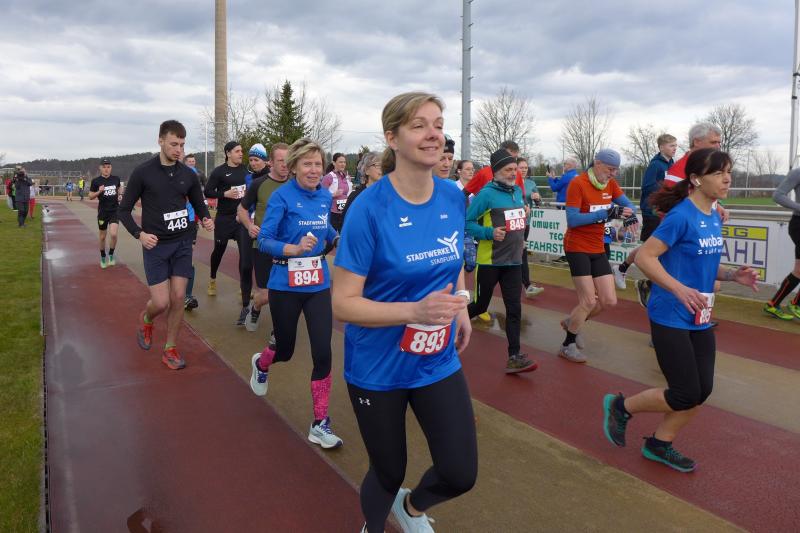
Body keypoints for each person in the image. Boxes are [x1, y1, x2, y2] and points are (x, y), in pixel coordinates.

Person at [332, 91, 477, 533]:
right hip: (378, 366)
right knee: (388, 470)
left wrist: (460, 302)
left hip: (436, 358)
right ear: (392, 138)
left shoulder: (452, 197)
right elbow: (343, 303)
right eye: (419, 125)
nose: (433, 134)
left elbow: (451, 256)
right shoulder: (368, 209)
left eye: (438, 125)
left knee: (460, 472)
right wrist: (415, 309)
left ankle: (411, 509)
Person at [602, 148, 758, 472]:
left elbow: (700, 262)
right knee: (685, 393)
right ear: (696, 179)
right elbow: (645, 257)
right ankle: (621, 406)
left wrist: (732, 275)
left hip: (700, 315)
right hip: (670, 314)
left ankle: (659, 444)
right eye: (718, 173)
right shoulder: (681, 216)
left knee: (702, 391)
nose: (727, 179)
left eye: (729, 172)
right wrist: (678, 288)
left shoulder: (713, 215)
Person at [249, 138, 343, 451]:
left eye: (318, 164)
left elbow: (324, 226)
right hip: (284, 284)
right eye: (307, 164)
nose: (314, 170)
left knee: (323, 351)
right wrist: (293, 248)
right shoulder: (281, 197)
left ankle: (320, 422)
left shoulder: (323, 196)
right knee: (286, 350)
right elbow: (264, 240)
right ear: (293, 167)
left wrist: (336, 238)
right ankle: (262, 363)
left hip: (317, 283)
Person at [118, 120, 214, 370]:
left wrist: (205, 218)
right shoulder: (143, 173)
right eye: (173, 144)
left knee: (179, 297)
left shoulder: (188, 174)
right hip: (156, 245)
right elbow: (124, 210)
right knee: (161, 303)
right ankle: (147, 318)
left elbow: (198, 201)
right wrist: (139, 234)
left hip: (182, 242)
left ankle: (170, 348)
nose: (178, 150)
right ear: (160, 141)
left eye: (182, 145)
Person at [559, 149, 638, 363]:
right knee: (588, 301)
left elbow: (628, 204)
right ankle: (567, 345)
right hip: (577, 246)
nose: (613, 173)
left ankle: (572, 322)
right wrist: (606, 213)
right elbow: (573, 219)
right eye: (610, 169)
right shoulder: (578, 183)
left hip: (598, 247)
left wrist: (630, 215)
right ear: (597, 163)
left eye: (616, 170)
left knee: (608, 301)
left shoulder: (610, 184)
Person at [635, 123, 726, 307]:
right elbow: (667, 205)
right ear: (697, 142)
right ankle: (654, 291)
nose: (718, 146)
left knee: (711, 283)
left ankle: (697, 315)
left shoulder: (706, 166)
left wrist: (718, 205)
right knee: (703, 283)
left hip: (696, 232)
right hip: (681, 235)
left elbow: (702, 194)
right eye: (713, 142)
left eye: (719, 142)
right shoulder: (679, 169)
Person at [466, 149, 538, 373]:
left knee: (514, 309)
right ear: (496, 171)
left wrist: (523, 217)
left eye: (515, 169)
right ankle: (448, 328)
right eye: (508, 170)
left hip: (513, 262)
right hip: (489, 262)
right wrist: (489, 233)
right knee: (480, 305)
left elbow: (513, 221)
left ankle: (514, 356)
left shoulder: (517, 192)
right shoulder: (486, 194)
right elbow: (467, 223)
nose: (513, 173)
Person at [612, 134, 677, 290]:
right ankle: (625, 271)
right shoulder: (656, 165)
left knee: (660, 248)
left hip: (665, 212)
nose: (675, 148)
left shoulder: (672, 164)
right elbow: (647, 187)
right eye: (671, 145)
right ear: (661, 147)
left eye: (676, 145)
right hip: (652, 212)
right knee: (650, 248)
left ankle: (628, 272)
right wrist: (667, 189)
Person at [238, 142, 290, 331]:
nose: (285, 165)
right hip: (263, 246)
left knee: (286, 291)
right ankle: (256, 307)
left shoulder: (297, 183)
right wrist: (249, 225)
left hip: (288, 247)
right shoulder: (258, 184)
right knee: (267, 294)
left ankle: (278, 332)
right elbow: (242, 209)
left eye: (288, 160)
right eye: (280, 161)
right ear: (271, 163)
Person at [204, 140, 254, 325]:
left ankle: (244, 287)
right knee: (219, 250)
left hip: (241, 219)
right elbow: (208, 191)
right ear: (228, 153)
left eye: (241, 151)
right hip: (224, 219)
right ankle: (212, 278)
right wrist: (224, 194)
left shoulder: (246, 171)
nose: (241, 154)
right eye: (237, 151)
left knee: (245, 254)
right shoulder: (219, 172)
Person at [763, 168, 800, 319]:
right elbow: (778, 195)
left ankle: (773, 304)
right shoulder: (798, 172)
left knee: (798, 270)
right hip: (799, 224)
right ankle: (795, 304)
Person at [88, 158, 123, 268]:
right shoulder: (96, 181)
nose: (106, 169)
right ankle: (103, 257)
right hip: (103, 212)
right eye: (104, 167)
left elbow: (119, 188)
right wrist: (99, 191)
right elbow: (90, 196)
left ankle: (111, 255)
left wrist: (120, 194)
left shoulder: (116, 179)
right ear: (100, 168)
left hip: (114, 211)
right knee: (102, 237)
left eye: (108, 167)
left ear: (111, 168)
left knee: (113, 234)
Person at [518, 156, 544, 297]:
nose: (523, 170)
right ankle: (525, 285)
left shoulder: (530, 183)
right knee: (517, 253)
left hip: (526, 223)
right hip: (513, 223)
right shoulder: (511, 183)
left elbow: (540, 202)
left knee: (522, 253)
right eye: (521, 167)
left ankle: (526, 285)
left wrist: (537, 198)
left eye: (525, 168)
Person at [463, 140, 527, 196]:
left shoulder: (517, 174)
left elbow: (522, 197)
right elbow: (465, 192)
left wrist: (525, 204)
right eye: (509, 157)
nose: (512, 161)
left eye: (515, 158)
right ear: (501, 154)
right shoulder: (484, 173)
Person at [341, 151, 382, 225]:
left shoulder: (388, 195)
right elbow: (346, 223)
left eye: (384, 165)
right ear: (366, 170)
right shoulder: (355, 196)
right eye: (378, 165)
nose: (382, 168)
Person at [322, 152, 352, 233]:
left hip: (344, 212)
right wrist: (333, 195)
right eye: (340, 162)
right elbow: (320, 195)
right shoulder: (328, 177)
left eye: (344, 162)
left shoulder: (347, 177)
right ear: (334, 163)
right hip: (332, 213)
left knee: (344, 236)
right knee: (331, 238)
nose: (343, 164)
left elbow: (349, 194)